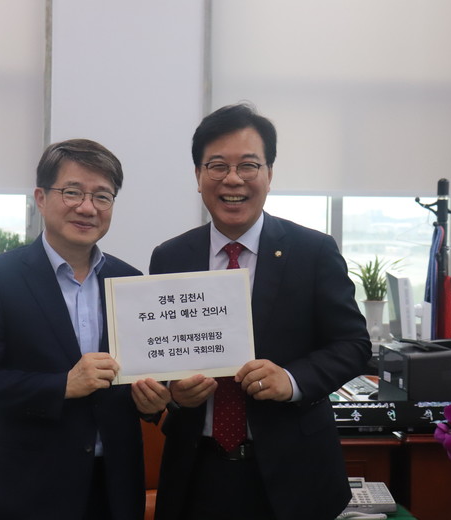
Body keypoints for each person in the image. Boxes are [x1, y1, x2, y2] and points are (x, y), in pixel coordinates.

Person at [150, 103, 372, 520]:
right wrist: (173, 393)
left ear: (269, 174)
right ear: (198, 176)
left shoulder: (313, 252)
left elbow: (354, 345)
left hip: (295, 473)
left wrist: (292, 380)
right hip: (196, 472)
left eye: (248, 165)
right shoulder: (171, 257)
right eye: (217, 166)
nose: (232, 179)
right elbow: (160, 356)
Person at [0, 138, 170, 520]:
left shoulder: (131, 281)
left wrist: (152, 402)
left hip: (114, 489)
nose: (87, 207)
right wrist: (62, 385)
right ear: (41, 197)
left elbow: (140, 375)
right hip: (30, 489)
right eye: (72, 192)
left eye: (102, 196)